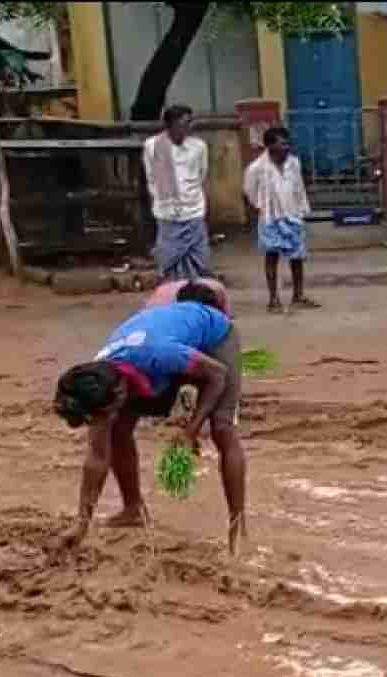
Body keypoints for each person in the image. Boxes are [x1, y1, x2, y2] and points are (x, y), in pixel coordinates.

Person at [53, 283, 248, 554]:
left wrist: (192, 429)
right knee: (117, 430)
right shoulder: (99, 376)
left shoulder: (157, 354)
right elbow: (97, 456)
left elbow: (217, 375)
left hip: (215, 340)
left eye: (106, 412)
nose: (102, 419)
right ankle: (133, 509)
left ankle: (238, 527)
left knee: (222, 428)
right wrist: (81, 522)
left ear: (120, 392)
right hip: (166, 351)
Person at [244, 126, 320, 314]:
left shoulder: (294, 163)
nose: (286, 147)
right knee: (272, 257)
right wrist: (261, 207)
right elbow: (249, 191)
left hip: (293, 215)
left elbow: (300, 188)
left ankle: (298, 296)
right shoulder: (257, 168)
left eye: (287, 143)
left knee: (297, 258)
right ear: (270, 145)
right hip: (270, 217)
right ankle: (273, 299)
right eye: (282, 143)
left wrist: (302, 210)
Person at [144, 104, 211, 280]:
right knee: (169, 260)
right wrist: (166, 199)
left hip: (194, 210)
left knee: (199, 260)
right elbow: (151, 177)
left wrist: (188, 196)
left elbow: (201, 174)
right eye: (184, 123)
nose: (189, 127)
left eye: (190, 122)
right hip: (167, 213)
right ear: (171, 124)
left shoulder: (198, 147)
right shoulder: (152, 146)